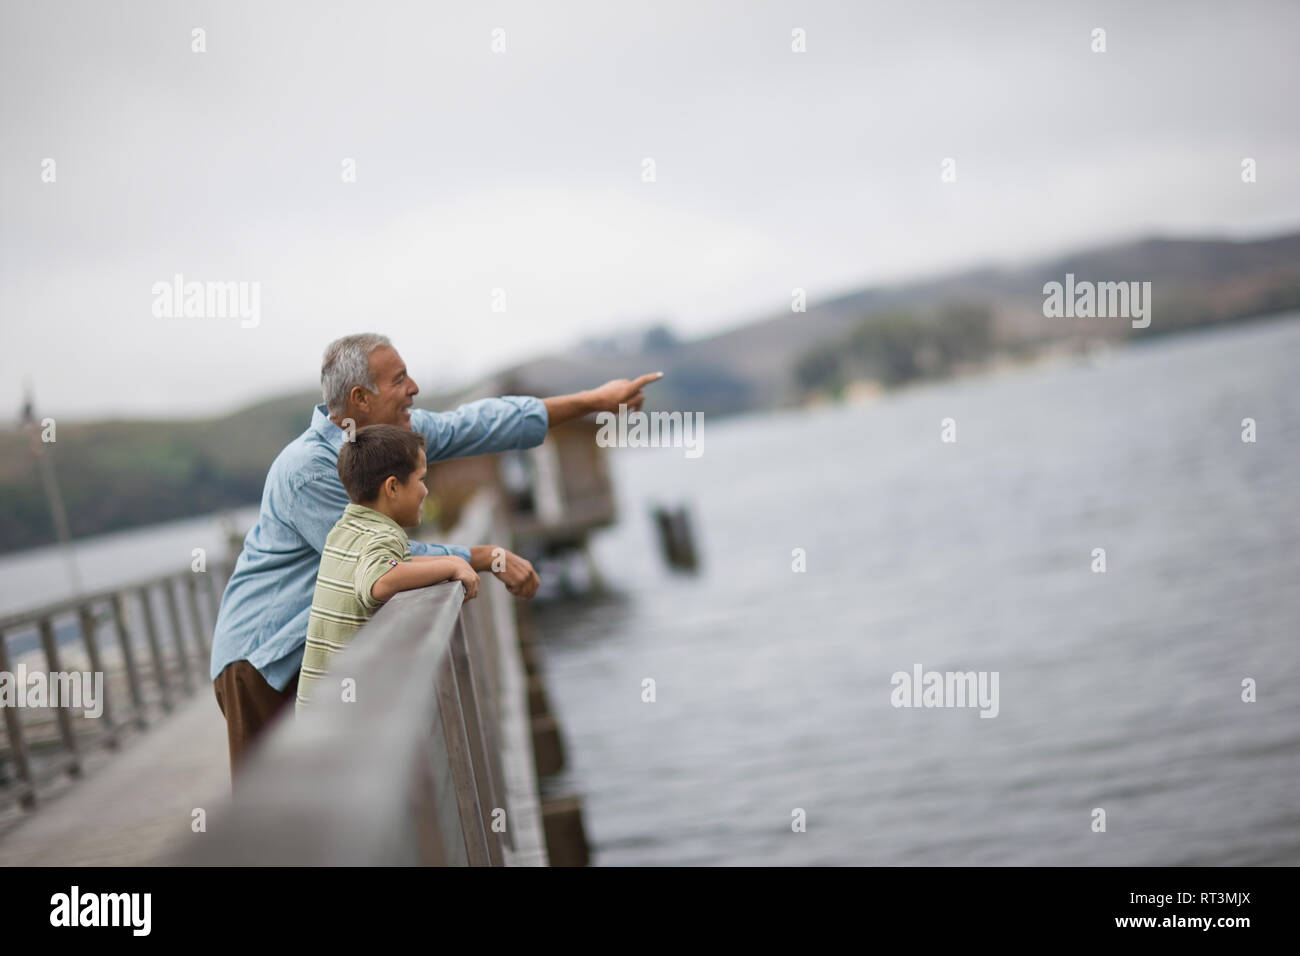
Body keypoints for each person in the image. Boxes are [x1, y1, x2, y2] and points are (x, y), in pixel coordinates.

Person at [210, 331, 660, 781]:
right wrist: (483, 555)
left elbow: (480, 423)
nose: (414, 388)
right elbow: (382, 555)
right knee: (275, 815)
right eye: (399, 379)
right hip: (262, 659)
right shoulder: (308, 469)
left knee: (323, 803)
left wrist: (594, 401)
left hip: (317, 651)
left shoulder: (386, 441)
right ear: (360, 398)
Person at [295, 424, 476, 713]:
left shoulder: (346, 528)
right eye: (421, 479)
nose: (426, 490)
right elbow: (380, 580)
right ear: (392, 487)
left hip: (317, 708)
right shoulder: (384, 536)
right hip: (345, 717)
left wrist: (452, 562)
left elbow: (392, 566)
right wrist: (448, 566)